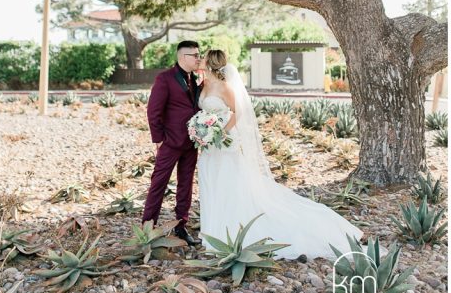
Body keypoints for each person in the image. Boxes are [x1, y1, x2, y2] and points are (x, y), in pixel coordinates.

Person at [197, 49, 362, 259]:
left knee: (228, 183)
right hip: (209, 143)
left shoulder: (224, 87)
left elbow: (239, 111)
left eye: (202, 57)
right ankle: (213, 229)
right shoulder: (203, 84)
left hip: (224, 141)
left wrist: (221, 131)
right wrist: (203, 131)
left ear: (210, 62)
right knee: (211, 180)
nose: (199, 59)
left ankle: (229, 229)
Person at [141, 40, 203, 246]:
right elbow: (153, 111)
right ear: (183, 57)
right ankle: (148, 227)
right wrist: (158, 139)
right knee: (158, 183)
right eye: (195, 55)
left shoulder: (195, 79)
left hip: (191, 142)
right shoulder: (165, 78)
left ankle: (181, 225)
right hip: (170, 141)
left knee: (186, 185)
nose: (199, 58)